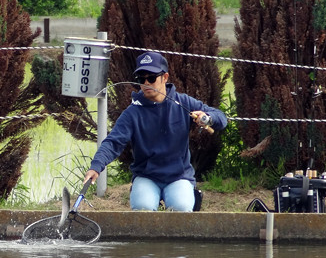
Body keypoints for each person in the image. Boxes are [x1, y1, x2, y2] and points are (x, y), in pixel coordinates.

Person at [83, 52, 227, 211]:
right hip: (146, 177)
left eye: (151, 78)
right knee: (142, 208)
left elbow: (221, 118)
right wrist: (96, 166)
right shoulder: (132, 113)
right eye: (141, 79)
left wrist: (207, 118)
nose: (146, 83)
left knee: (182, 208)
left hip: (178, 177)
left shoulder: (184, 102)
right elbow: (113, 143)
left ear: (165, 77)